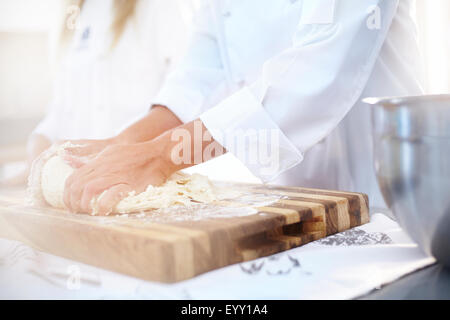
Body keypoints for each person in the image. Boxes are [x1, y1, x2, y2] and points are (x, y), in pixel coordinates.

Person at [62, 0, 424, 215]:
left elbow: (319, 73)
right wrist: (124, 145)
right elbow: (202, 73)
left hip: (390, 199)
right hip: (300, 203)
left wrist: (159, 156)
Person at [1, 0, 193, 185]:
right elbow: (60, 110)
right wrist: (38, 149)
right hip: (76, 186)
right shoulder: (69, 15)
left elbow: (184, 99)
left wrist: (124, 148)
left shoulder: (160, 6)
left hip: (136, 181)